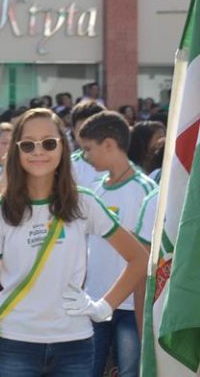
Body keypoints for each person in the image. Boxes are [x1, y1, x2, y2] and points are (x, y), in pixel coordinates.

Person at [0, 108, 148, 377]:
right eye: (28, 144)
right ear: (17, 151)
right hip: (15, 343)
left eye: (49, 142)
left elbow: (139, 258)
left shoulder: (85, 202)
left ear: (63, 148)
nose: (38, 151)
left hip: (75, 344)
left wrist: (104, 306)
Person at [77, 111, 157, 377]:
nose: (85, 156)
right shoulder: (94, 189)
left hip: (129, 309)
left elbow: (147, 256)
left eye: (89, 148)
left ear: (109, 144)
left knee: (130, 372)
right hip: (93, 301)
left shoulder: (145, 190)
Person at [69, 101, 106, 188]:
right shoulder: (67, 167)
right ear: (74, 131)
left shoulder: (119, 165)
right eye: (82, 131)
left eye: (94, 130)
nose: (88, 137)